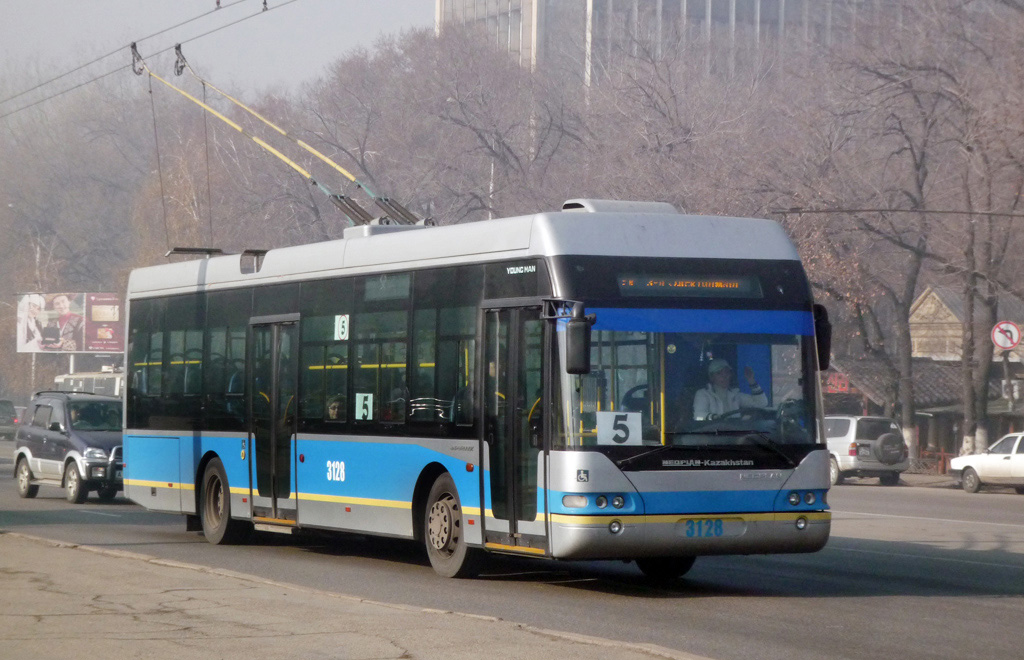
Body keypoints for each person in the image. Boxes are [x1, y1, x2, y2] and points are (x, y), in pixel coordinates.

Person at [692, 358, 768, 421]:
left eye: (727, 372)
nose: (724, 376)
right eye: (719, 373)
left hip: (735, 436)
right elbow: (699, 416)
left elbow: (761, 403)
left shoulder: (735, 394)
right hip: (712, 436)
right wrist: (715, 418)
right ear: (711, 377)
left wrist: (751, 380)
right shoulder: (703, 394)